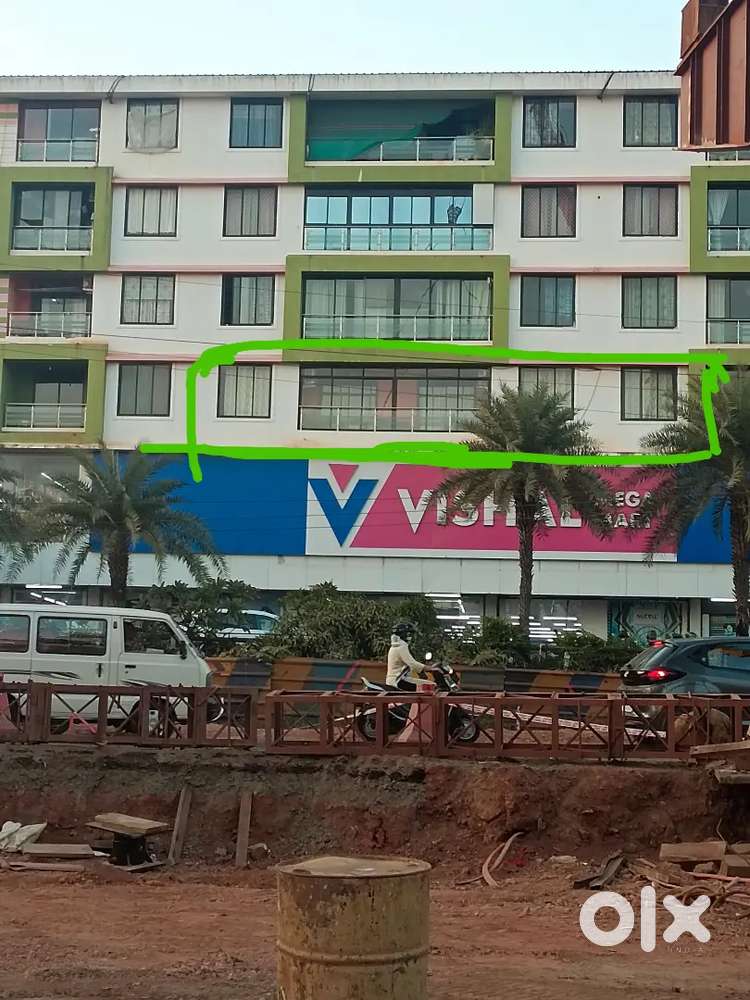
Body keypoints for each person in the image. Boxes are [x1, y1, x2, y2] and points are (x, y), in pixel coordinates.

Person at [386, 621, 426, 688]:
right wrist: (430, 668)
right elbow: (413, 664)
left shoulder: (395, 646)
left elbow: (410, 663)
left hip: (395, 680)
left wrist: (421, 672)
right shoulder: (401, 646)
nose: (409, 636)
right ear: (403, 634)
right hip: (398, 681)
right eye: (408, 633)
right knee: (431, 685)